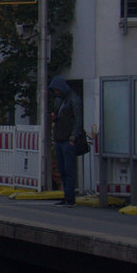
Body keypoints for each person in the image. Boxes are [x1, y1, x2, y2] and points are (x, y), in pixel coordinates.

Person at [49, 76, 82, 206]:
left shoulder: (73, 99)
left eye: (57, 90)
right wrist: (55, 118)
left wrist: (73, 137)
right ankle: (66, 195)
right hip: (60, 138)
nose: (56, 93)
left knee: (69, 169)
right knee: (62, 169)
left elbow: (77, 119)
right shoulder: (60, 101)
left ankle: (70, 197)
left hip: (68, 139)